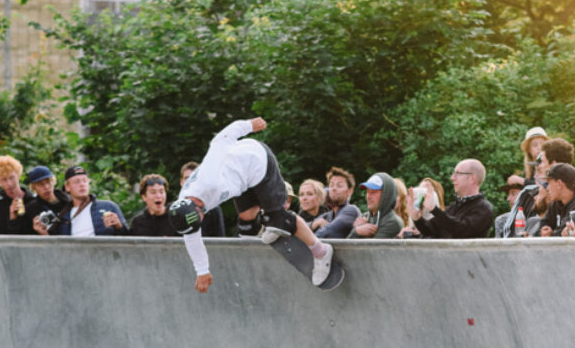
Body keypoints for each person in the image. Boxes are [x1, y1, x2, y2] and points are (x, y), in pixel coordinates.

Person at [168, 116, 334, 291]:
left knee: (280, 219)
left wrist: (248, 125)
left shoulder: (208, 179)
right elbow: (192, 239)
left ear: (198, 211)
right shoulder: (184, 207)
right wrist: (202, 271)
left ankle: (321, 251)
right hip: (240, 179)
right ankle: (265, 235)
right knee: (246, 224)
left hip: (257, 161)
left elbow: (220, 141)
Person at [408, 159, 494, 238]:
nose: (452, 178)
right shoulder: (453, 208)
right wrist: (416, 217)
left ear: (472, 178)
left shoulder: (484, 208)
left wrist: (434, 209)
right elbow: (429, 230)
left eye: (458, 173)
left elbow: (462, 230)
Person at [56, 164, 128, 237]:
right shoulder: (63, 216)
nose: (82, 184)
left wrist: (119, 226)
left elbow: (128, 238)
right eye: (77, 182)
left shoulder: (108, 207)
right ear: (67, 187)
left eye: (85, 181)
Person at [539, 164, 575, 235]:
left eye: (549, 183)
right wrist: (543, 230)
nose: (547, 188)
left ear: (559, 184)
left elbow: (563, 232)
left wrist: (550, 235)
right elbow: (543, 224)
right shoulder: (557, 200)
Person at [348, 173, 404, 238]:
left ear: (386, 195)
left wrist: (356, 231)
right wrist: (357, 231)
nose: (368, 196)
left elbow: (371, 247)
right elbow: (345, 247)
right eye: (368, 191)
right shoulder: (364, 217)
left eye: (373, 192)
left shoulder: (393, 222)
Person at [0, 154, 31, 234]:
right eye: (4, 180)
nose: (9, 183)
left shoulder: (33, 199)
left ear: (18, 175)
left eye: (11, 177)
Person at [315, 167, 360, 239]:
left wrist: (308, 238)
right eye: (331, 185)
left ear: (350, 191)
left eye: (339, 186)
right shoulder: (328, 215)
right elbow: (303, 228)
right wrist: (315, 224)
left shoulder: (351, 210)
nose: (334, 189)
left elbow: (327, 233)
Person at [24, 165, 69, 236]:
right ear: (33, 188)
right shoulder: (31, 210)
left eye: (48, 182)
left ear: (53, 182)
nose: (46, 187)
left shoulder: (69, 201)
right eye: (40, 184)